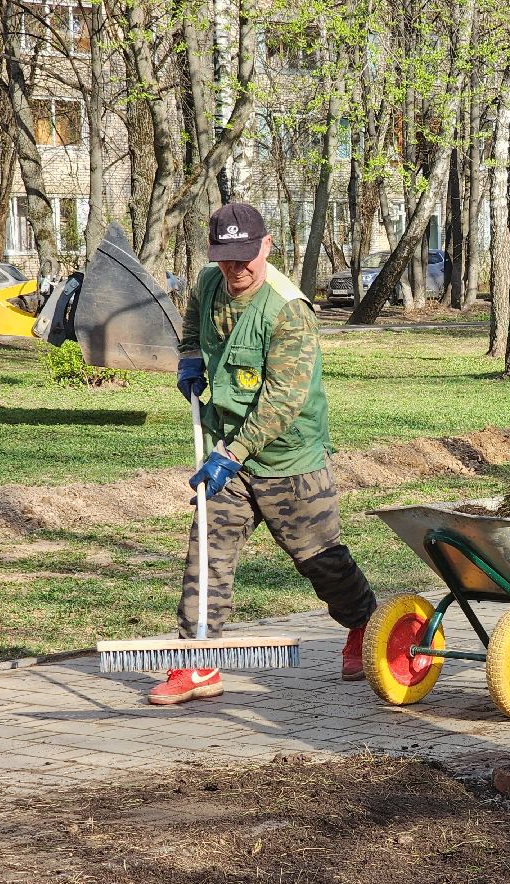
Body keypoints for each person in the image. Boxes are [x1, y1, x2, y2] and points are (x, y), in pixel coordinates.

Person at [148, 202, 378, 705]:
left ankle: (366, 624)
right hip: (227, 453)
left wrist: (233, 452)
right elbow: (192, 322)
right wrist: (189, 356)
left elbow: (283, 400)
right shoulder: (208, 284)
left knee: (319, 559)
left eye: (247, 256)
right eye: (227, 258)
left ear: (266, 247)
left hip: (289, 459)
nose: (238, 268)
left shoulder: (289, 310)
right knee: (208, 553)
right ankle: (197, 661)